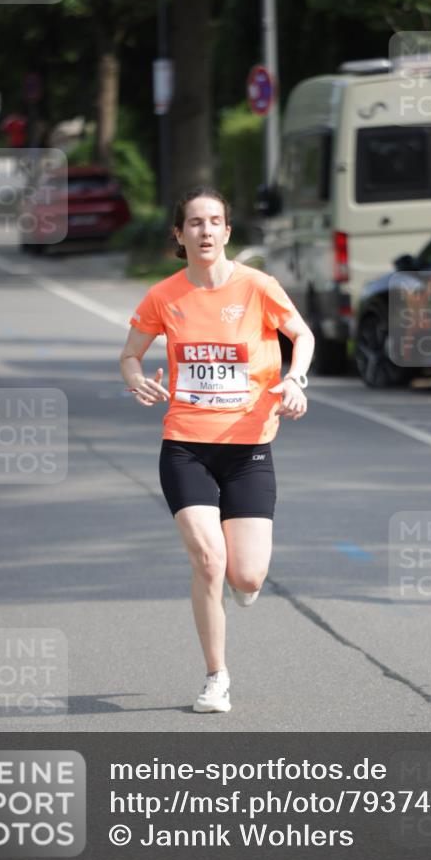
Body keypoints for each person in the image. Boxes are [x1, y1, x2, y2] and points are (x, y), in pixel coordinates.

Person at [120, 187, 314, 713]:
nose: (205, 231)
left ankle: (242, 583)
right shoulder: (164, 296)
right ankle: (216, 677)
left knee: (246, 575)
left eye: (215, 222)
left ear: (228, 232)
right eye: (194, 223)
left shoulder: (258, 287)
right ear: (179, 235)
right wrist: (136, 379)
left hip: (249, 445)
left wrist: (295, 380)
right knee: (209, 560)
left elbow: (303, 334)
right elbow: (130, 355)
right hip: (186, 445)